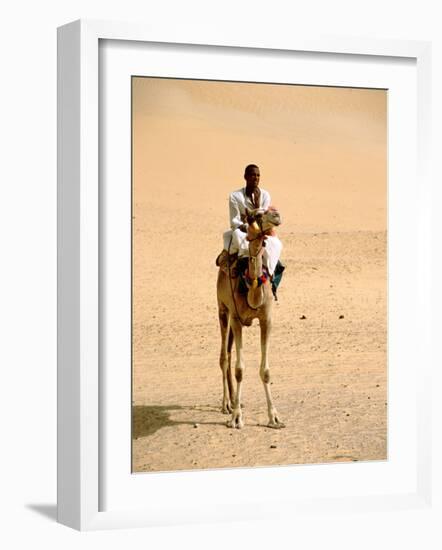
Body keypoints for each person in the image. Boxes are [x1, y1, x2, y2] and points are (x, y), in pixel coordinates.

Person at [218, 164, 284, 297]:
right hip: (243, 231)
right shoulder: (235, 196)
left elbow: (263, 215)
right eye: (253, 175)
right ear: (245, 177)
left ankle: (272, 282)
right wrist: (248, 226)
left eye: (258, 175)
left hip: (261, 231)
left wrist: (259, 223)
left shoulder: (265, 195)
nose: (256, 178)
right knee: (238, 239)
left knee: (276, 246)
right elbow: (234, 221)